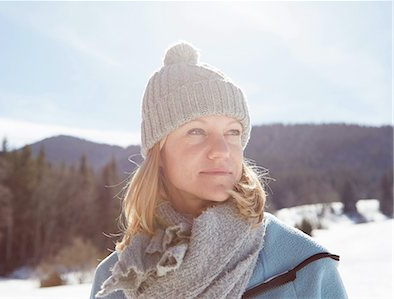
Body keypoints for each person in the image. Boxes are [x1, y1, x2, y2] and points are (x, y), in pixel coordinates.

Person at [90, 42, 347, 299]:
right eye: (196, 131)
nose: (221, 150)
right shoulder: (114, 281)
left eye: (232, 132)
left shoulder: (304, 269)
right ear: (159, 152)